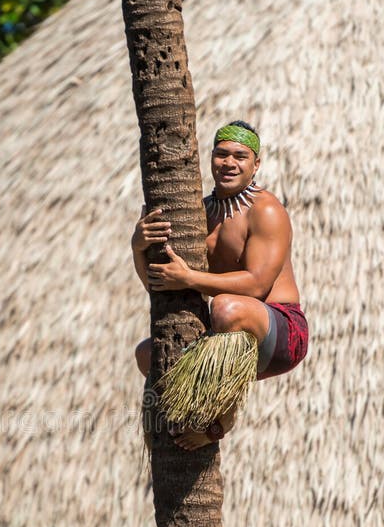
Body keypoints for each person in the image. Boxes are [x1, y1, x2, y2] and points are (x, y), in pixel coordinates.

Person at [132, 120, 308, 451]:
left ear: (256, 164)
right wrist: (138, 246)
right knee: (147, 354)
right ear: (210, 158)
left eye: (240, 156)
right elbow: (159, 286)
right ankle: (177, 418)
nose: (229, 163)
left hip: (280, 330)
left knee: (226, 307)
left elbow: (257, 284)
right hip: (223, 327)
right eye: (221, 154)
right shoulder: (197, 213)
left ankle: (219, 421)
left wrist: (189, 278)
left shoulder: (265, 210)